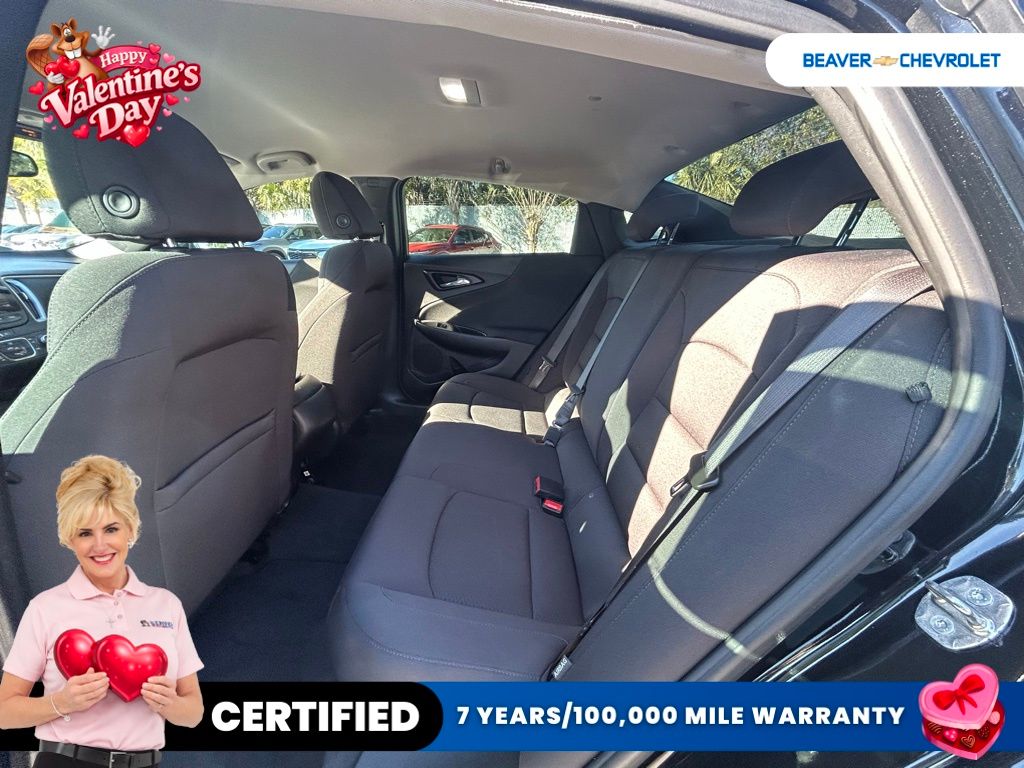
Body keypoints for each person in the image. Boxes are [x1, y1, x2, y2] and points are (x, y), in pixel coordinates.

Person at [0, 455, 204, 766]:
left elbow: (193, 713)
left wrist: (169, 704)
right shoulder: (45, 609)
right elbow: (4, 712)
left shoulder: (166, 606)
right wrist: (61, 703)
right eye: (85, 533)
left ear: (130, 530)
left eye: (111, 529)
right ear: (70, 539)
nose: (100, 545)